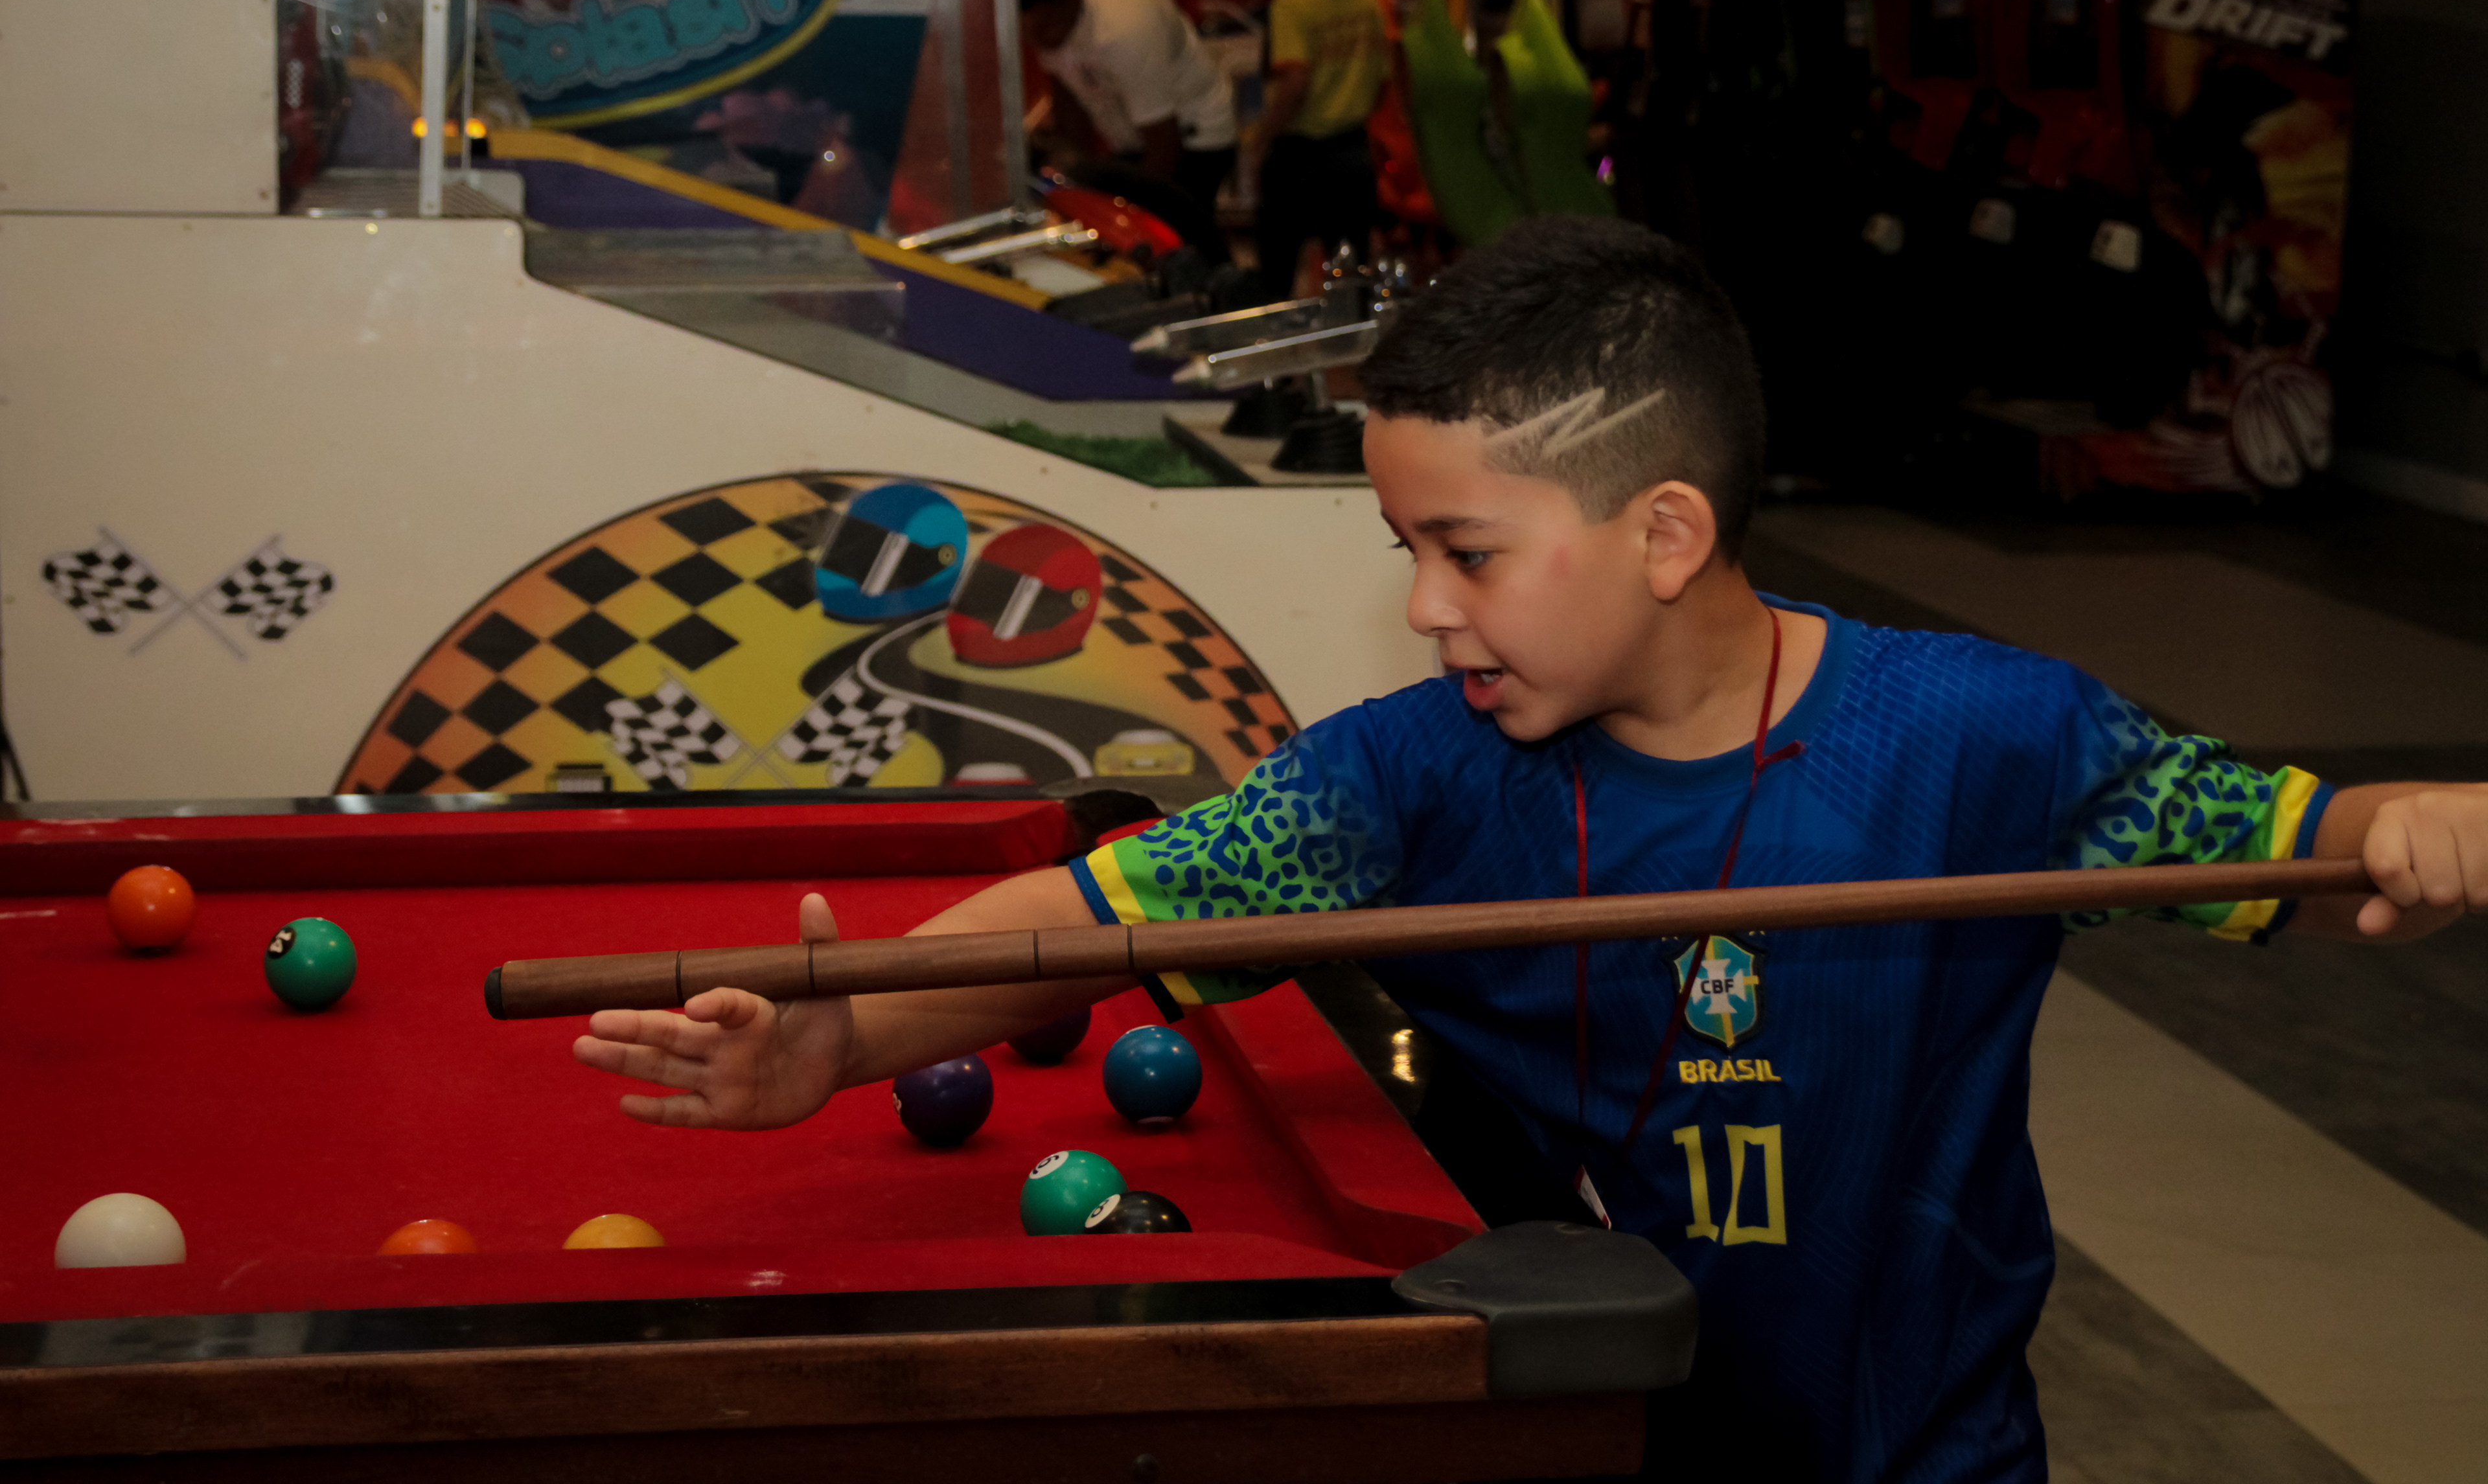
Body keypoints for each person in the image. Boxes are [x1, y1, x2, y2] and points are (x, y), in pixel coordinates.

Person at [572, 216, 2488, 1482]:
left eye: (1463, 550)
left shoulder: (1986, 732)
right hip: (1569, 1441)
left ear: (1662, 532)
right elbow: (1096, 924)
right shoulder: (1397, 783)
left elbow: (2300, 851)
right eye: (1401, 547)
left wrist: (2410, 822)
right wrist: (851, 1033)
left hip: (1927, 1454)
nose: (1419, 607)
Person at [1019, 0, 1238, 258]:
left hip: (1193, 136)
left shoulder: (1123, 30)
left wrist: (1139, 219)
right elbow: (1067, 94)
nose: (1037, 42)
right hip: (1133, 132)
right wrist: (1074, 180)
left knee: (1180, 243)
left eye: (1042, 31)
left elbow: (1163, 141)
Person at [1250, 0, 1389, 299]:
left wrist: (1262, 137)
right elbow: (1382, 85)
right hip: (1353, 154)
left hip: (1299, 157)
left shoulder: (1292, 4)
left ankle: (1277, 361)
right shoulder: (1369, 5)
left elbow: (1295, 81)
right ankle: (1353, 358)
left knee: (1276, 274)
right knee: (1351, 276)